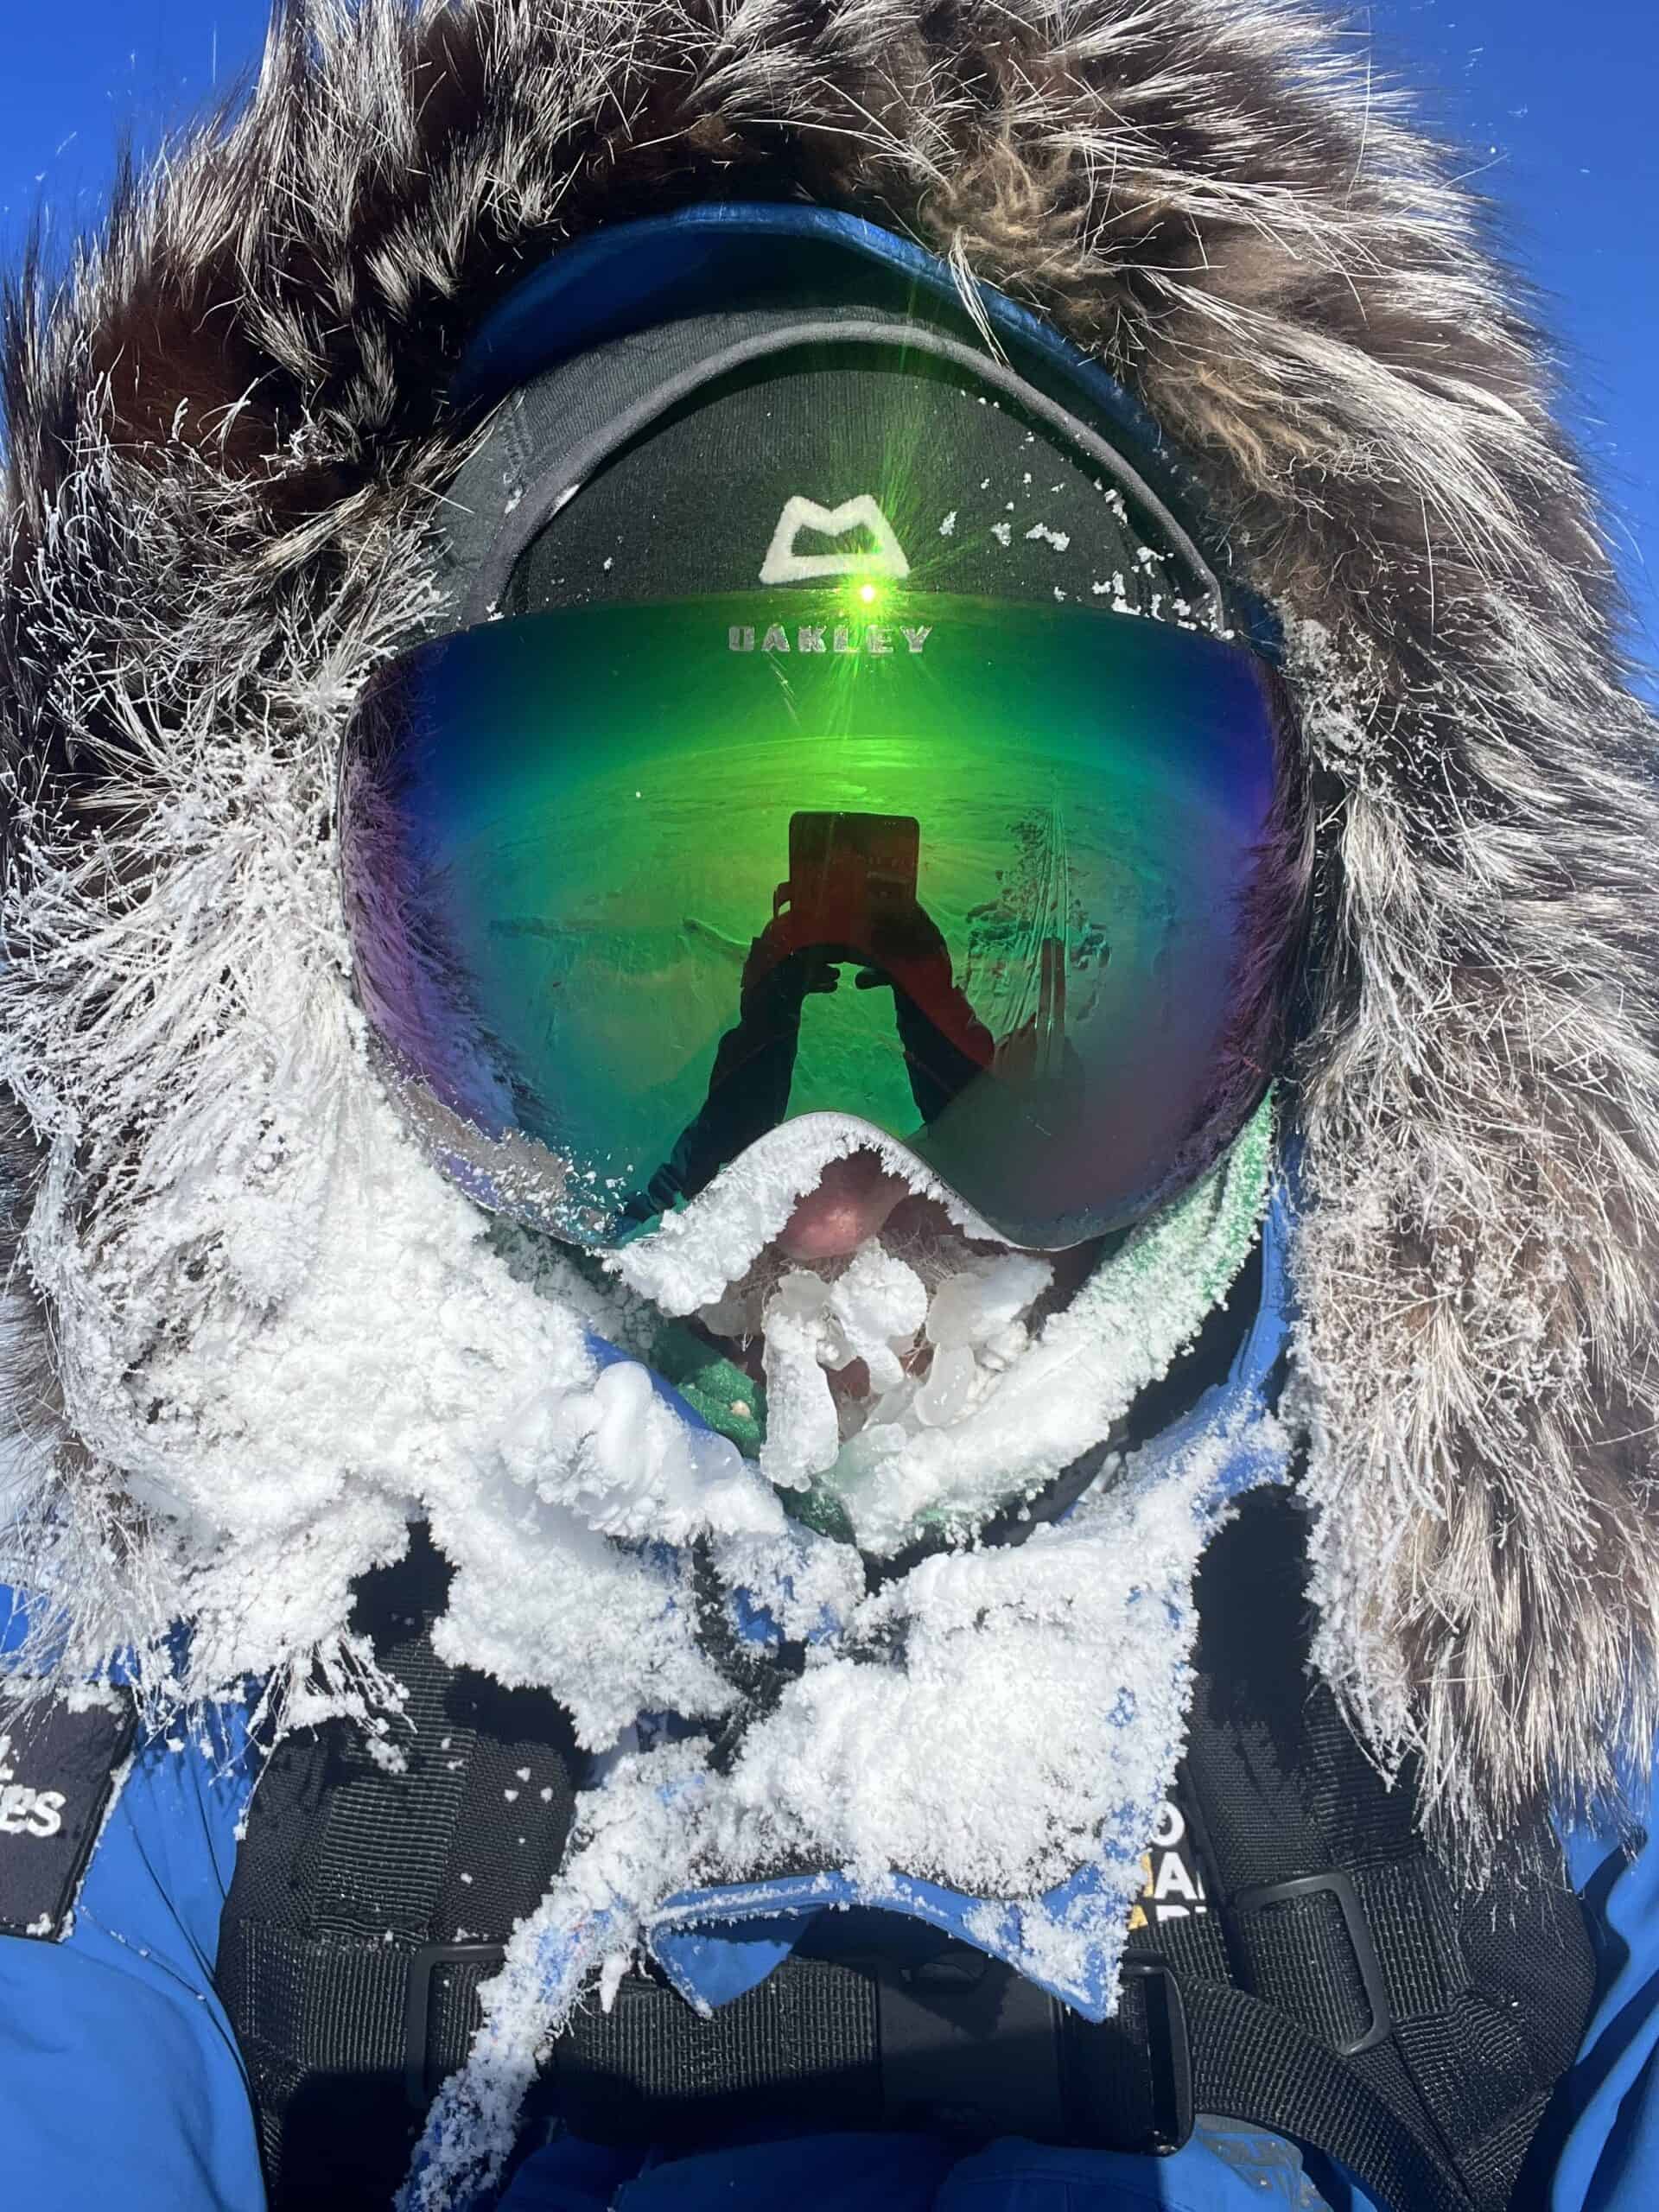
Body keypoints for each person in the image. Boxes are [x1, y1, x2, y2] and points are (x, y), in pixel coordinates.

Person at [2, 4, 1656, 2210]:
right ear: (317, 974)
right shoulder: (196, 1720)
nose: (842, 1174)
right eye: (655, 946)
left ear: (1323, 970)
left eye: (1017, 939)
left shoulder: (1491, 1731)